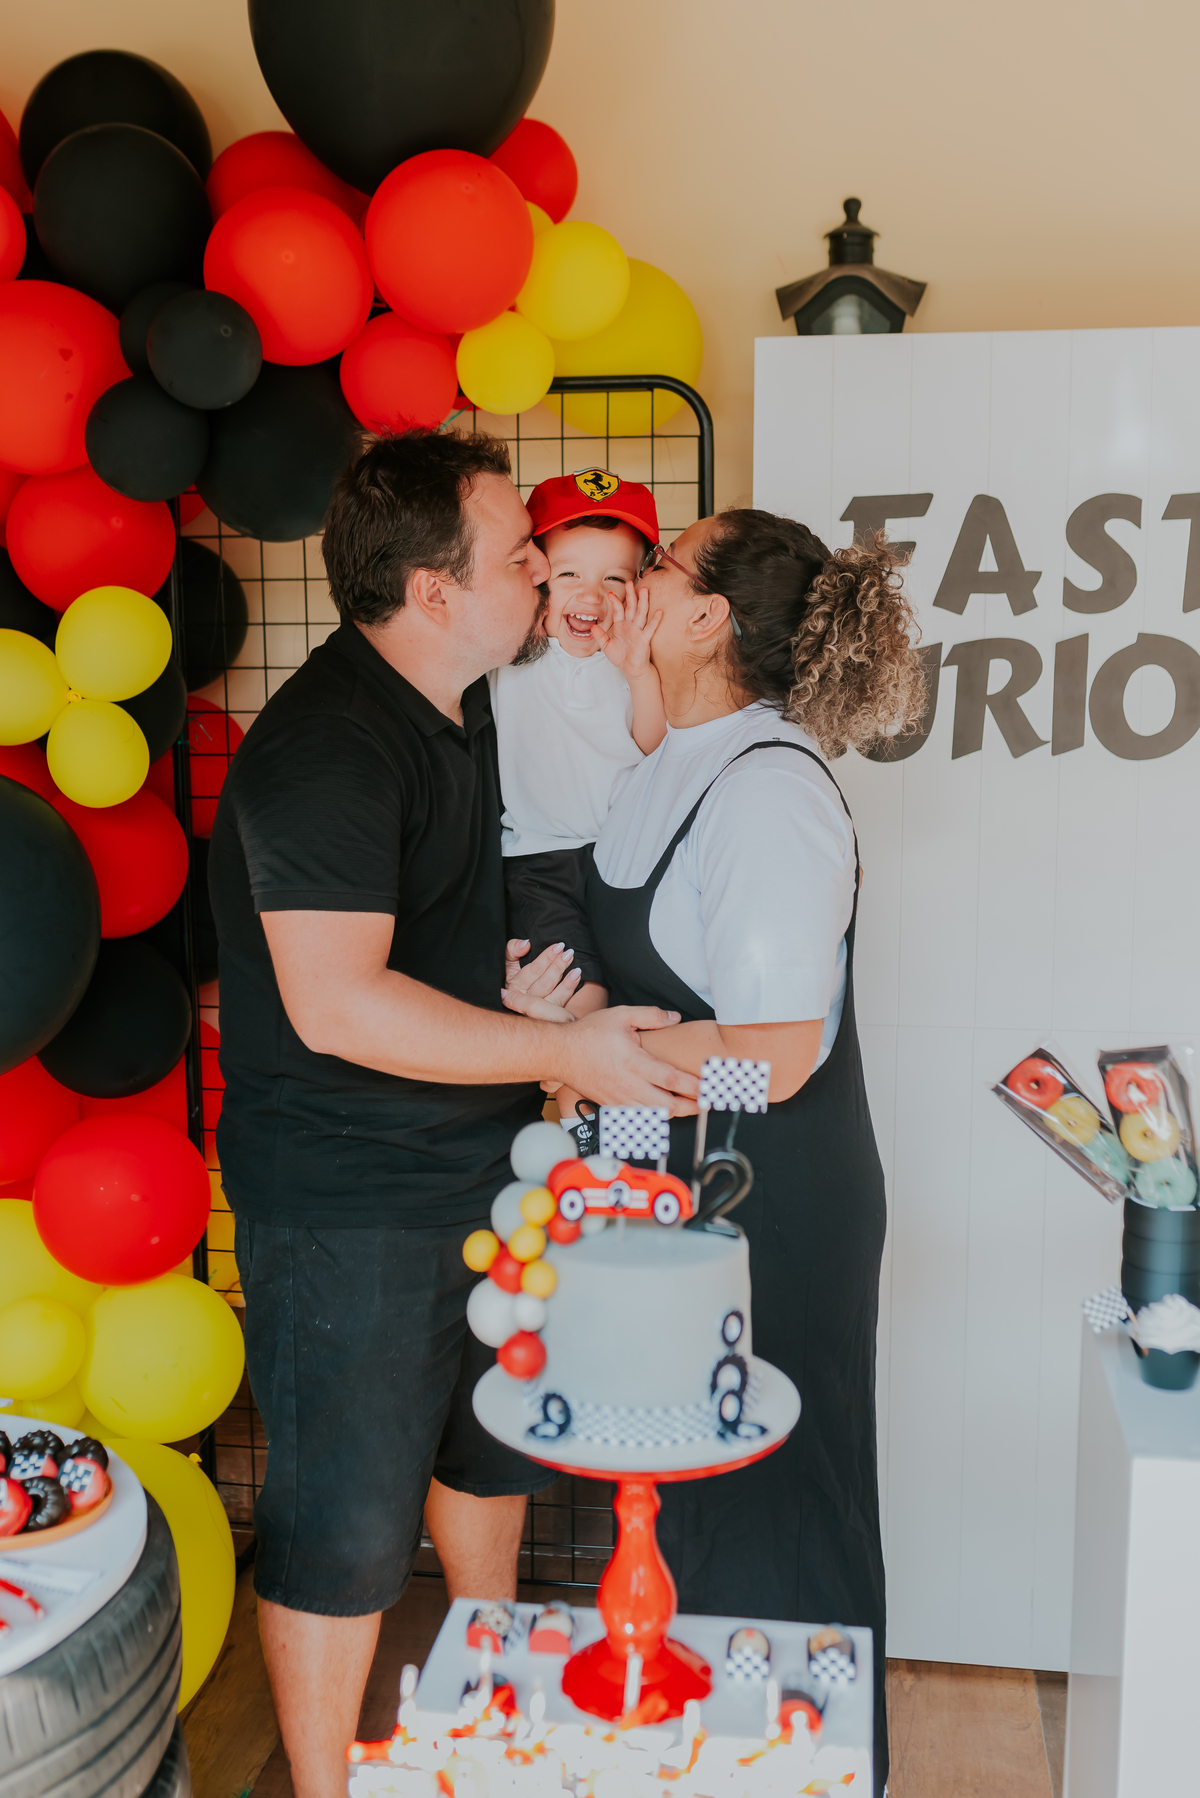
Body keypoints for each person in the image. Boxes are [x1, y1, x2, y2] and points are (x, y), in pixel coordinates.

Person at [208, 429, 698, 1798]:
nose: (547, 576)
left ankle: (487, 1704)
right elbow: (339, 1004)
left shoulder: (461, 706)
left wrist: (513, 992)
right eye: (521, 556)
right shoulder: (325, 746)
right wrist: (574, 1052)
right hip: (349, 1199)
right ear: (435, 591)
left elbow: (408, 939)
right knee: (345, 1525)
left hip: (474, 1163)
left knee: (489, 1452)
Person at [502, 507, 925, 1797]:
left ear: (706, 622)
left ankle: (810, 1777)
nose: (629, 581)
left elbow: (778, 1056)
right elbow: (652, 994)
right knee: (681, 1505)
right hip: (684, 1200)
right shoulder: (670, 759)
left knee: (773, 1514)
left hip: (774, 1203)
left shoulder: (772, 792)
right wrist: (570, 1021)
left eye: (664, 567)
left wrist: (598, 1055)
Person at [489, 470, 665, 1023]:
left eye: (615, 578)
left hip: (628, 856)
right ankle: (578, 1102)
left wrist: (638, 671)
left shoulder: (638, 658)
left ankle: (607, 1099)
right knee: (580, 1001)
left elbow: (654, 745)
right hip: (540, 859)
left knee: (647, 995)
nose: (592, 595)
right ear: (535, 574)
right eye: (568, 574)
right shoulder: (511, 647)